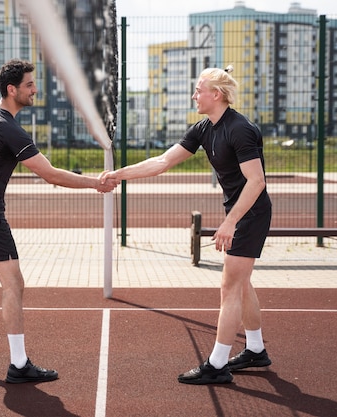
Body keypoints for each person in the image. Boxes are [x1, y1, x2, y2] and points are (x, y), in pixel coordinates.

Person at [0, 59, 118, 383]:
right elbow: (50, 175)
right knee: (14, 283)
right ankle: (19, 365)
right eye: (30, 85)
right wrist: (95, 184)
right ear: (12, 89)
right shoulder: (9, 128)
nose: (35, 90)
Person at [99, 65, 272, 385]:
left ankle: (218, 364)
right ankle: (256, 350)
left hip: (250, 213)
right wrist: (118, 175)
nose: (194, 96)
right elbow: (162, 162)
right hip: (239, 212)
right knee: (241, 283)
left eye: (198, 91)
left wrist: (230, 221)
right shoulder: (204, 128)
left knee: (230, 286)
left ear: (216, 95)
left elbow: (257, 181)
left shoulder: (240, 129)